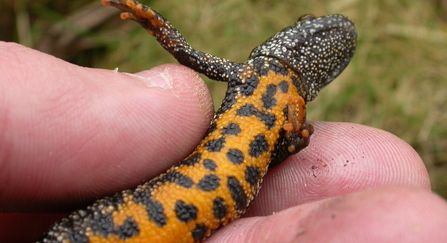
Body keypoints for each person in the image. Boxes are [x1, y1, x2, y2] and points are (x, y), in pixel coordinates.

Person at [1, 41, 446, 242]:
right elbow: (185, 54)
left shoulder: (279, 97)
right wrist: (156, 25)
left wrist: (293, 142)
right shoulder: (256, 77)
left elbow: (272, 155)